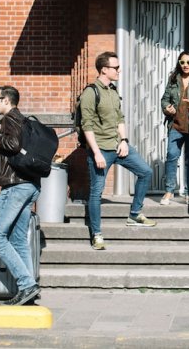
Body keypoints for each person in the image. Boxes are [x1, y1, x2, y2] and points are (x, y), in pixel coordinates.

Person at [81, 51, 156, 251]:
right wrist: (96, 153)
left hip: (118, 146)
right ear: (104, 69)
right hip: (100, 149)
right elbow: (87, 125)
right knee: (96, 192)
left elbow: (119, 118)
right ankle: (97, 234)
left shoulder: (113, 91)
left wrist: (124, 141)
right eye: (116, 68)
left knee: (146, 172)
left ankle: (135, 214)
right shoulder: (90, 92)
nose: (119, 71)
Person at [0, 85, 41, 306]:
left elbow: (12, 144)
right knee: (18, 240)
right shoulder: (24, 120)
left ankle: (27, 284)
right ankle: (29, 288)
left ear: (6, 101)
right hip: (30, 185)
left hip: (15, 186)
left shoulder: (10, 119)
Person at [160, 50, 189, 205]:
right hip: (175, 125)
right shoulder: (174, 79)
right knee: (171, 156)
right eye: (182, 62)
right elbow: (165, 99)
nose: (185, 65)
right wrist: (167, 108)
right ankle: (169, 191)